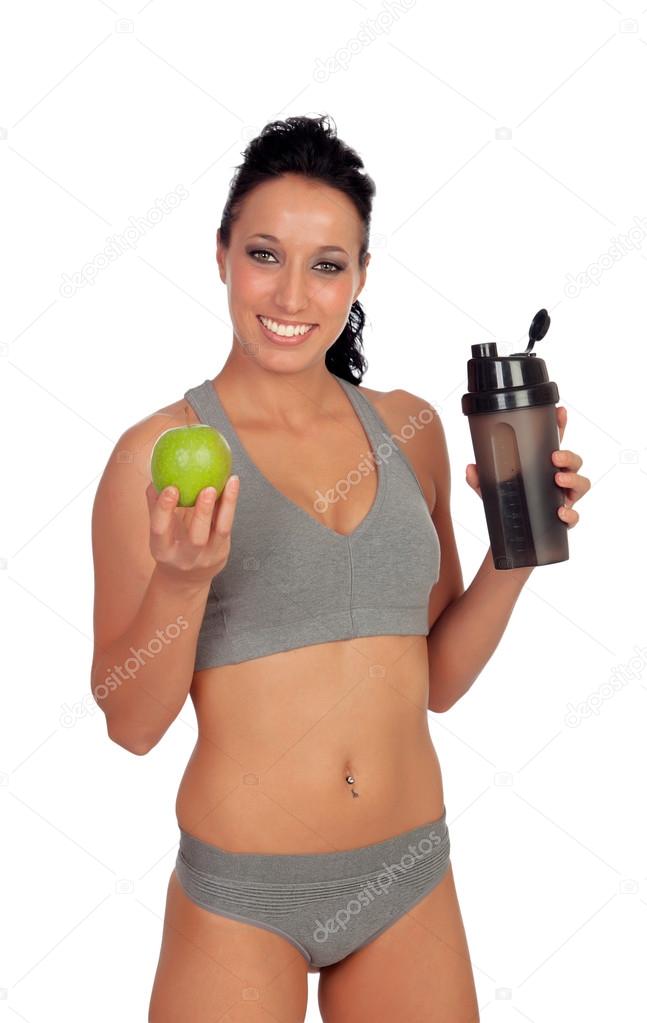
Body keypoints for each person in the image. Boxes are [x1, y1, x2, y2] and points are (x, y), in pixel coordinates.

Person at [90, 114, 590, 1023]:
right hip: (243, 898)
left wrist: (518, 550)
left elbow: (433, 679)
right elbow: (129, 723)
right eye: (264, 254)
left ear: (358, 277)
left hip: (406, 874)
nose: (291, 292)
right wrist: (181, 577)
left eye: (326, 265)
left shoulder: (410, 430)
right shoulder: (159, 453)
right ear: (220, 256)